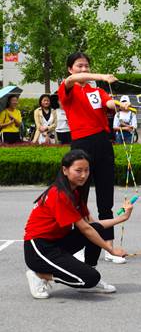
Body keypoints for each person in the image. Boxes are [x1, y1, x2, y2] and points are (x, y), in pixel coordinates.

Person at [23, 150, 133, 299]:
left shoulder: (74, 192)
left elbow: (91, 224)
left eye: (86, 170)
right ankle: (40, 274)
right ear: (65, 170)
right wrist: (110, 249)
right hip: (39, 250)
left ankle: (86, 274)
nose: (83, 175)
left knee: (96, 229)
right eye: (78, 170)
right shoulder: (59, 194)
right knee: (91, 278)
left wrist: (123, 218)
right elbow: (85, 229)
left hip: (57, 243)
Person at [58, 51, 130, 265]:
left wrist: (118, 105)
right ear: (71, 69)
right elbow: (72, 81)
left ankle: (108, 246)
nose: (84, 70)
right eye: (79, 66)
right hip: (81, 146)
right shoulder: (67, 88)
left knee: (105, 197)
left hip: (102, 143)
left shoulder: (96, 91)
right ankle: (77, 246)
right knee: (78, 199)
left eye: (86, 66)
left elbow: (107, 104)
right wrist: (102, 76)